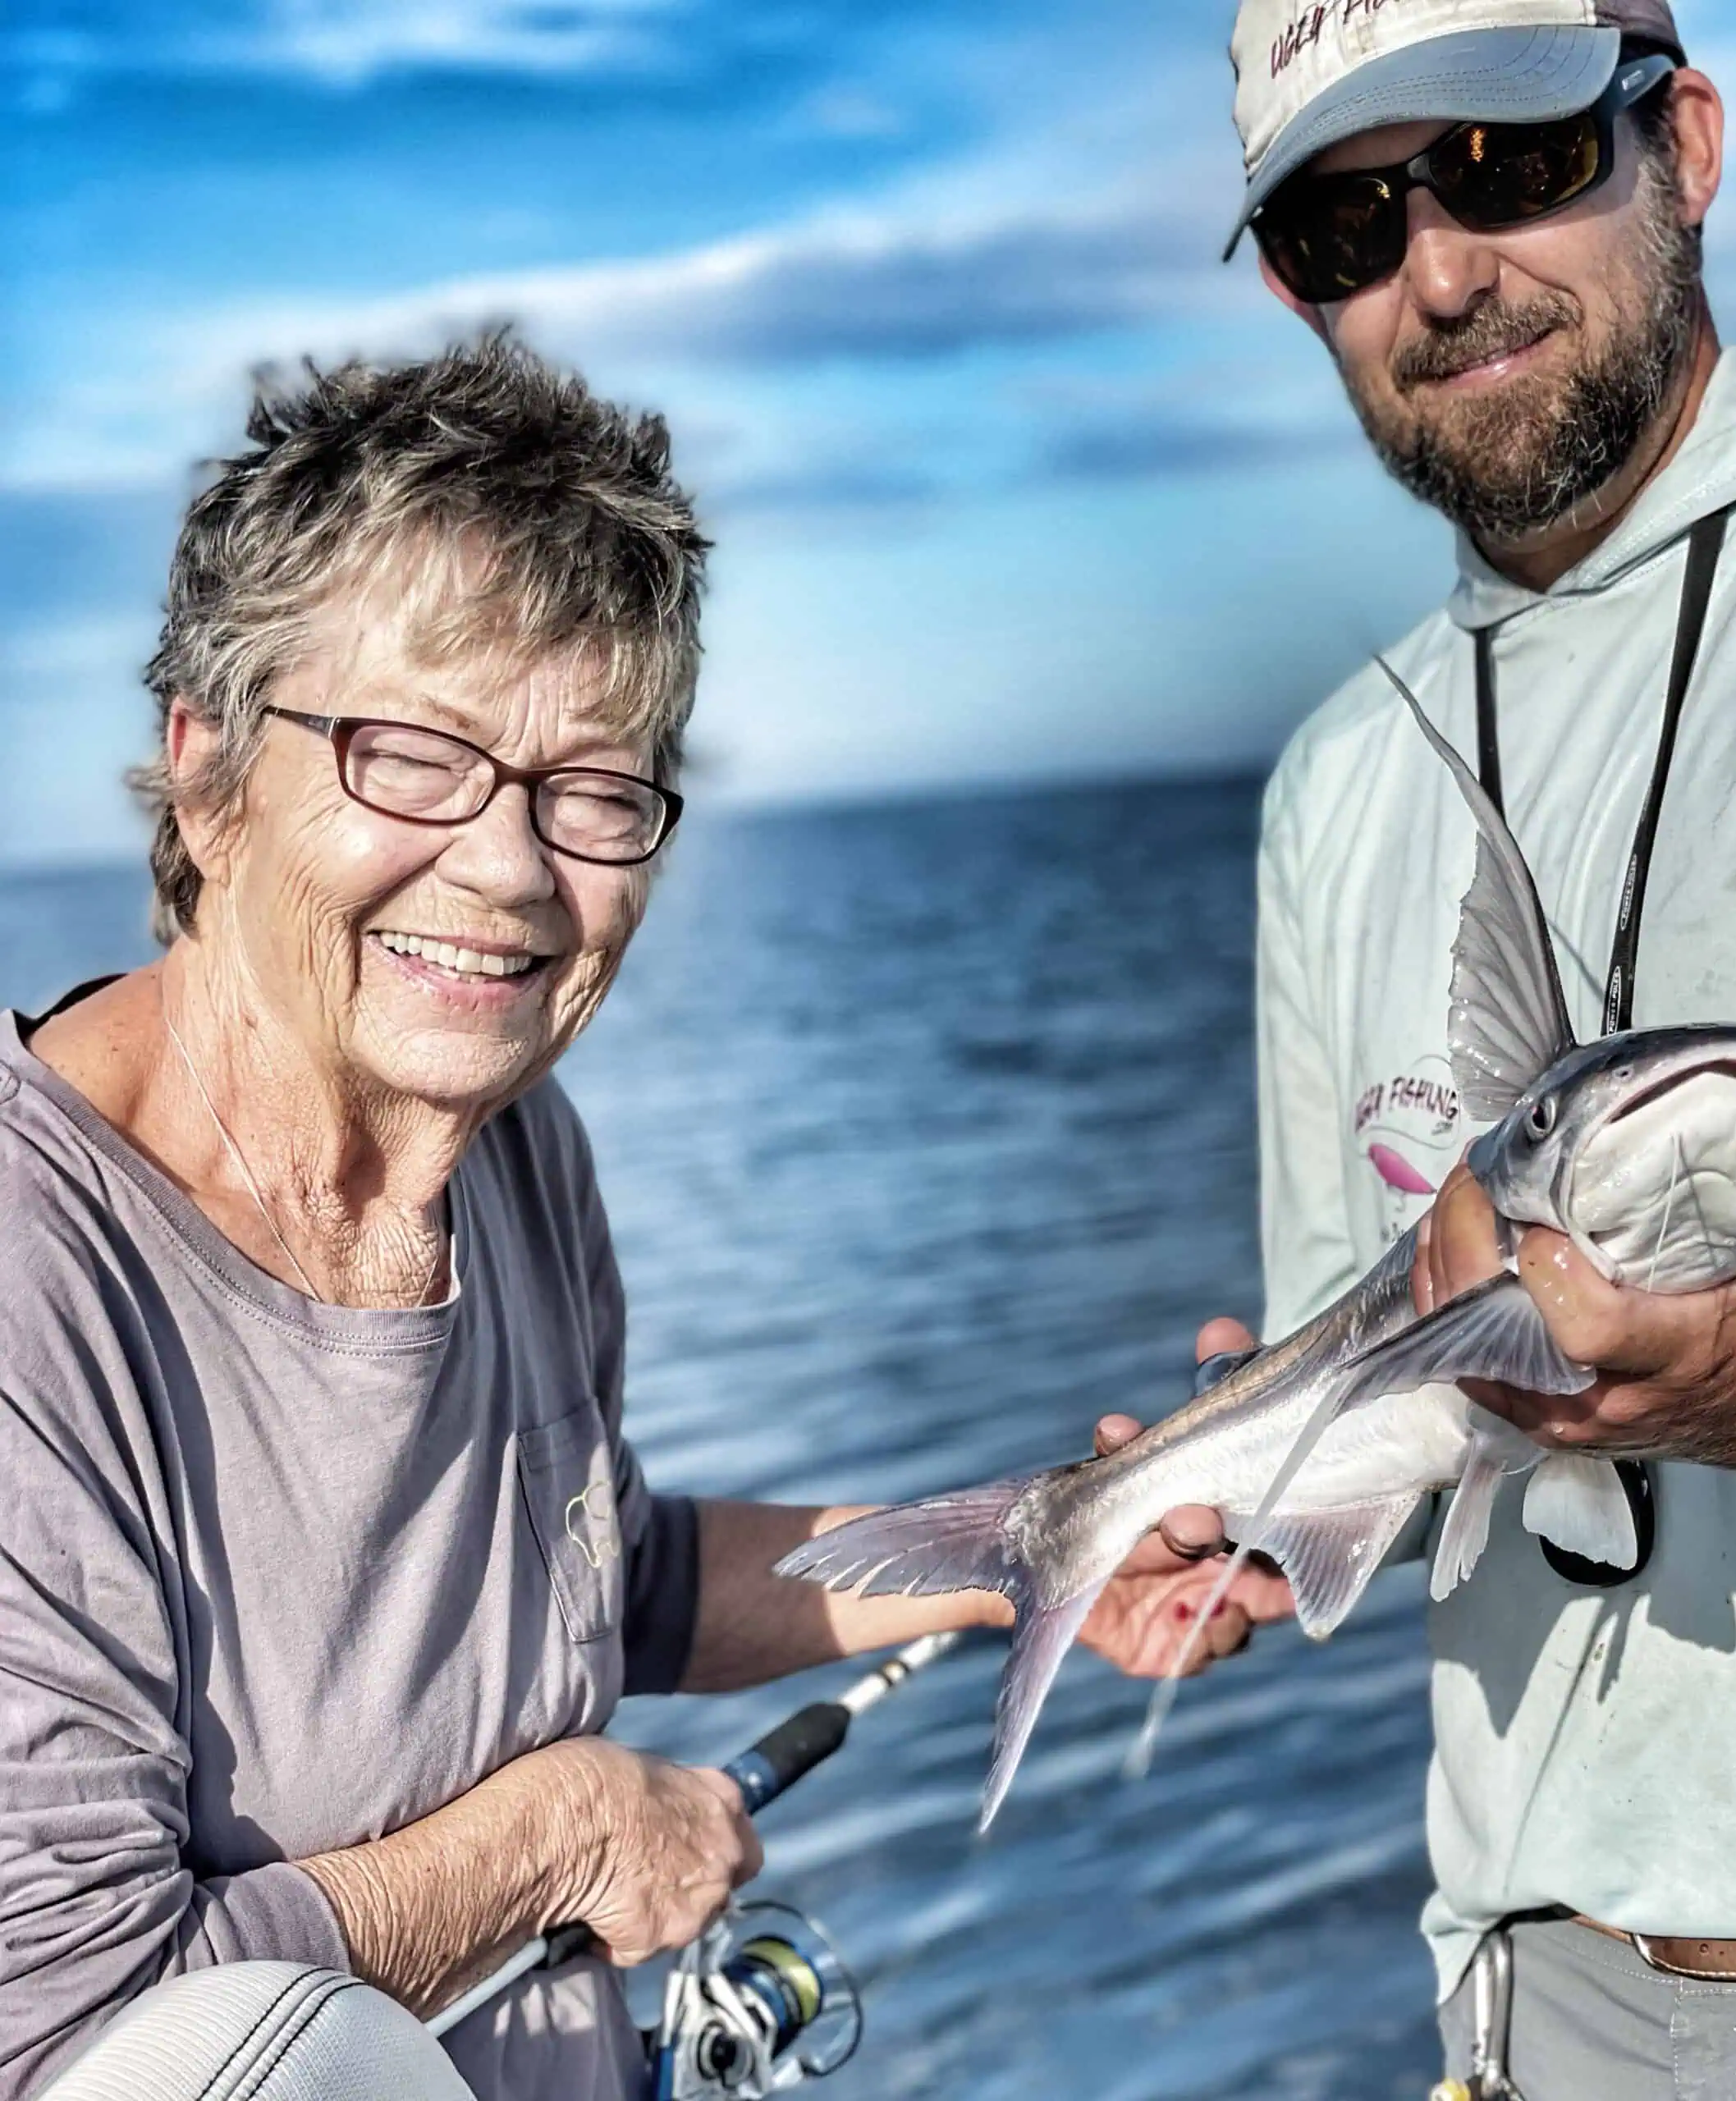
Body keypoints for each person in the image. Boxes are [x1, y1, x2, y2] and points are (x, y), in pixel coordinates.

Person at [0, 337, 1277, 2100]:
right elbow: (72, 2022)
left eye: (592, 788)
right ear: (207, 770)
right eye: (409, 757)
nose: (513, 868)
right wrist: (564, 1831)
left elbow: (606, 1578)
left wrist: (1032, 1545)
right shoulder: (33, 1286)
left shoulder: (512, 1148)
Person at [1175, 0, 1736, 2091]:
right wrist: (1237, 1485)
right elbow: (1399, 1372)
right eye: (1340, 223)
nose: (1438, 269)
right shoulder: (1331, 789)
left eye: (1500, 164)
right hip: (1535, 1998)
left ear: (1681, 139)